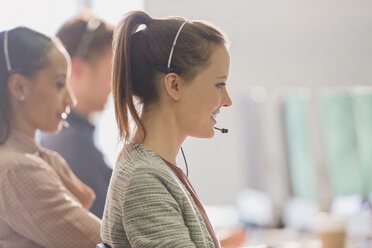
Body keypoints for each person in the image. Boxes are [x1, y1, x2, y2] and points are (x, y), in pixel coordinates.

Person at [101, 10, 236, 247]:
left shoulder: (151, 167)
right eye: (219, 84)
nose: (227, 100)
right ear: (174, 85)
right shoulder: (145, 180)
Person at [0, 27, 101, 247]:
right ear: (18, 86)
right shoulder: (16, 170)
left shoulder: (31, 160)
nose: (71, 99)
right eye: (58, 84)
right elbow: (104, 240)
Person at [40, 14, 114, 218]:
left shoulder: (68, 137)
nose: (117, 83)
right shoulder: (72, 143)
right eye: (112, 70)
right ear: (79, 69)